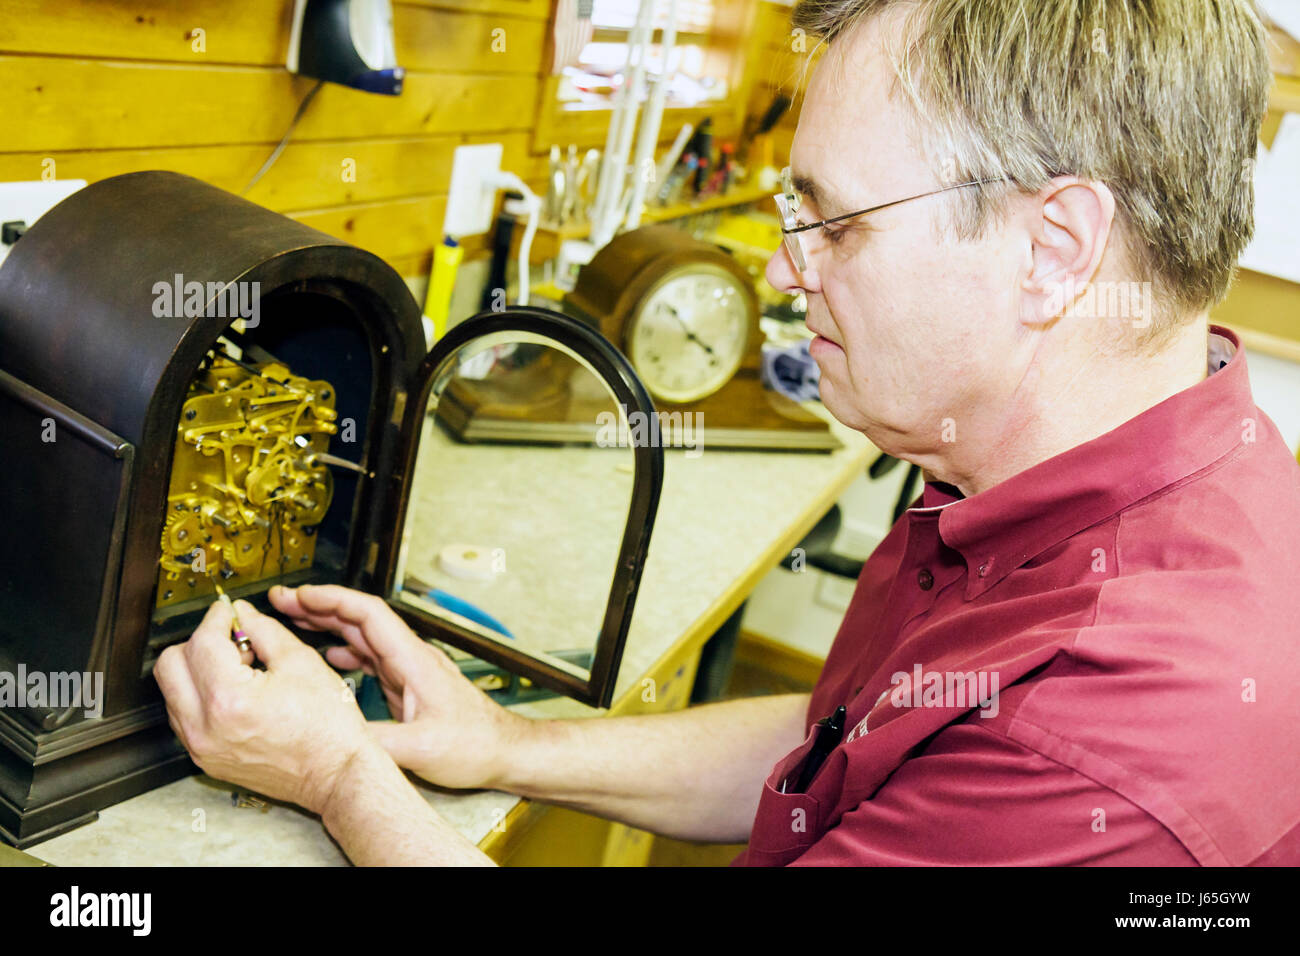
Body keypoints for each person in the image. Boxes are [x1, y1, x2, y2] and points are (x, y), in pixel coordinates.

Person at [155, 0, 1300, 866]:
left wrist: (339, 769)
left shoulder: (1100, 738)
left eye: (834, 223)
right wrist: (504, 743)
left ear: (1053, 251)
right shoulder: (1091, 457)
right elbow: (838, 744)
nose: (785, 270)